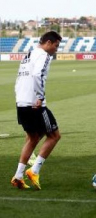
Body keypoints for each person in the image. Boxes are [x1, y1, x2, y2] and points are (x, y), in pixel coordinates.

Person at [11, 31, 62, 189]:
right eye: (56, 45)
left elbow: (20, 78)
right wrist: (39, 96)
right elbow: (37, 74)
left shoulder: (29, 55)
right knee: (54, 136)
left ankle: (18, 176)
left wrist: (20, 98)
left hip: (21, 102)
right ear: (48, 42)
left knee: (33, 137)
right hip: (34, 103)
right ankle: (34, 170)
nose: (56, 49)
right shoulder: (43, 55)